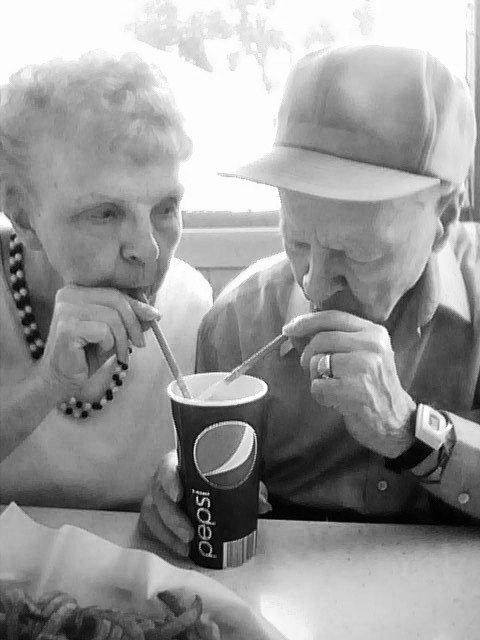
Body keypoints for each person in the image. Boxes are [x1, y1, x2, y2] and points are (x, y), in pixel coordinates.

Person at [141, 44, 480, 555]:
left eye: (357, 254)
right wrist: (186, 490)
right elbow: (217, 485)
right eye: (297, 241)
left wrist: (408, 431)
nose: (316, 284)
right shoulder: (237, 322)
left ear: (444, 218)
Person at [0, 52, 212, 510]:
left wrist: (180, 494)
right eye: (106, 213)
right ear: (24, 218)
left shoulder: (191, 307)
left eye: (165, 208)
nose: (149, 249)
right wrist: (48, 384)